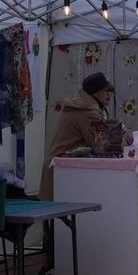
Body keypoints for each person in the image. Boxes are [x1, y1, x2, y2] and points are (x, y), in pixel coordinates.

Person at [38, 71, 114, 200]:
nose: (110, 95)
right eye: (106, 91)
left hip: (62, 168)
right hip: (62, 170)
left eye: (111, 91)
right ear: (95, 92)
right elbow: (102, 144)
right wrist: (126, 140)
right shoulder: (87, 111)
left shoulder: (85, 106)